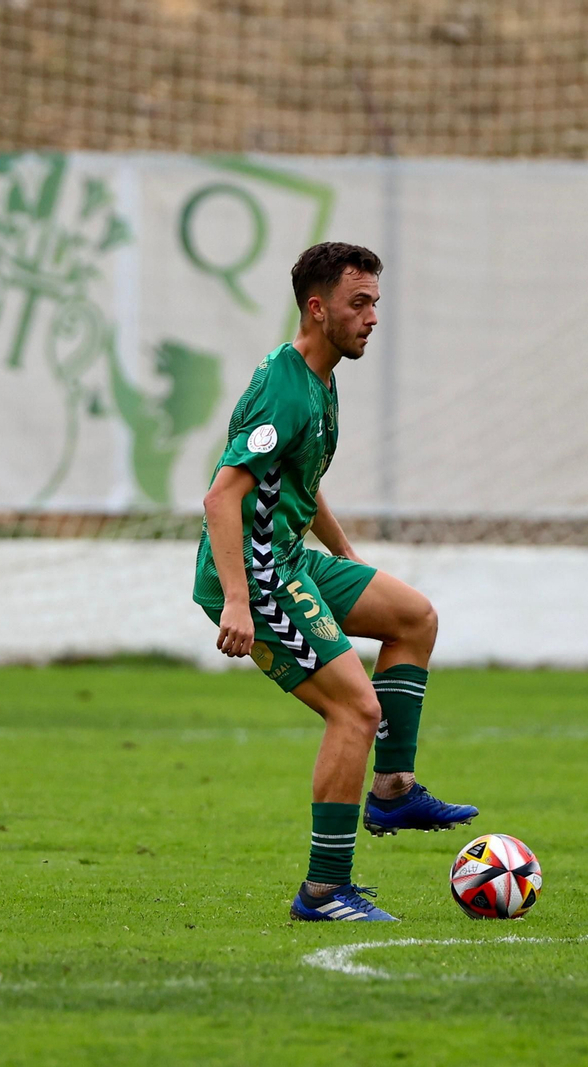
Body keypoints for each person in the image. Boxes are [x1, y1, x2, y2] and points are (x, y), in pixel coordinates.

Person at [195, 241, 477, 923]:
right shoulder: (284, 388)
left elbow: (300, 479)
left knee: (415, 617)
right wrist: (237, 596)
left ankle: (393, 787)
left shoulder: (321, 379)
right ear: (317, 309)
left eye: (376, 302)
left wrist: (345, 554)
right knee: (356, 710)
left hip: (291, 556)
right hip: (257, 573)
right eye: (360, 303)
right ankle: (323, 892)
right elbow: (220, 498)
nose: (373, 316)